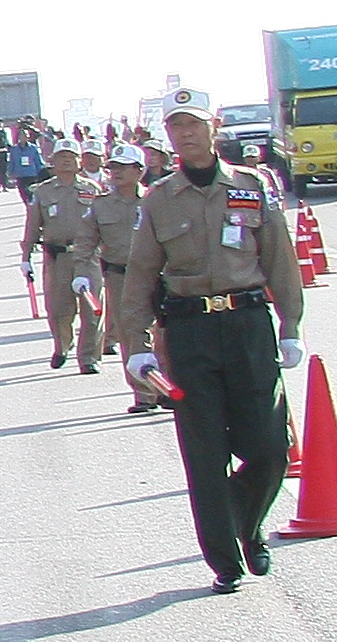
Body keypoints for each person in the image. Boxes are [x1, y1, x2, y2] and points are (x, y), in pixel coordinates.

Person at [111, 99, 305, 593]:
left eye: (194, 125)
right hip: (189, 331)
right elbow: (140, 275)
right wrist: (136, 343)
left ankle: (245, 519)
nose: (186, 135)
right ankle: (225, 561)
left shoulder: (251, 186)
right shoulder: (158, 199)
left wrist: (291, 325)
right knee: (204, 451)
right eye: (176, 127)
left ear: (212, 128)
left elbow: (279, 259)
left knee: (270, 447)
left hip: (247, 327)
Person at [85, 149, 166, 410]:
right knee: (130, 332)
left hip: (160, 276)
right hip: (121, 277)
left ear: (139, 170)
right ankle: (144, 394)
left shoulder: (157, 200)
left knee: (164, 333)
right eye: (113, 167)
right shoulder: (100, 204)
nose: (116, 172)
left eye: (123, 166)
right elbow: (87, 242)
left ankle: (166, 387)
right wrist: (81, 273)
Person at [29, 144, 101, 369]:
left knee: (92, 311)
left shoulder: (93, 189)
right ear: (53, 161)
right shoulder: (43, 191)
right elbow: (33, 224)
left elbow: (105, 223)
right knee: (59, 310)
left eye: (72, 157)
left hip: (87, 257)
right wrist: (25, 256)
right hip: (57, 257)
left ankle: (88, 358)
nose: (67, 161)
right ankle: (62, 345)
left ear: (80, 161)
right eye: (62, 157)